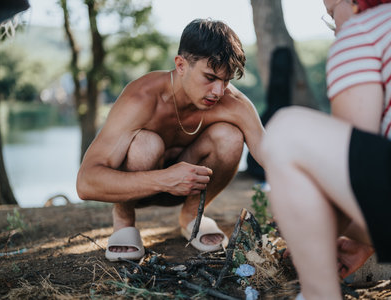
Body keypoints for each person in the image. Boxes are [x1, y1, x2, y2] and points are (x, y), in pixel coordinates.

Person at [261, 0, 391, 299]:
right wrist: (364, 241)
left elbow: (354, 169)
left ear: (355, 3)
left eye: (332, 12)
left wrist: (311, 242)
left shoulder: (363, 32)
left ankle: (318, 294)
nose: (334, 27)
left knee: (286, 130)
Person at [76, 18, 265, 261]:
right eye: (209, 77)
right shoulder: (140, 99)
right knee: (147, 144)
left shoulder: (233, 103)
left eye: (226, 80)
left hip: (189, 187)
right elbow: (85, 183)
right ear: (181, 65)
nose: (219, 92)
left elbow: (272, 158)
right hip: (135, 188)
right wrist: (164, 179)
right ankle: (124, 222)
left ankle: (191, 217)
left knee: (229, 136)